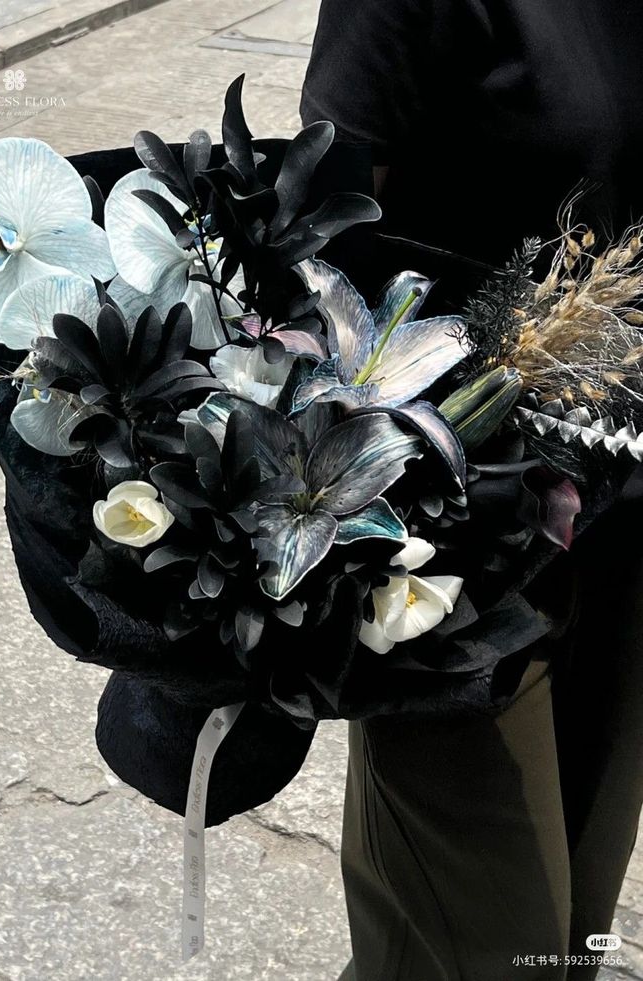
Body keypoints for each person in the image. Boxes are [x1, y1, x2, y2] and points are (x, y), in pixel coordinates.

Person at [299, 1, 643, 979]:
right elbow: (314, 260)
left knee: (573, 923)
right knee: (475, 944)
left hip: (625, 523)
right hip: (454, 553)